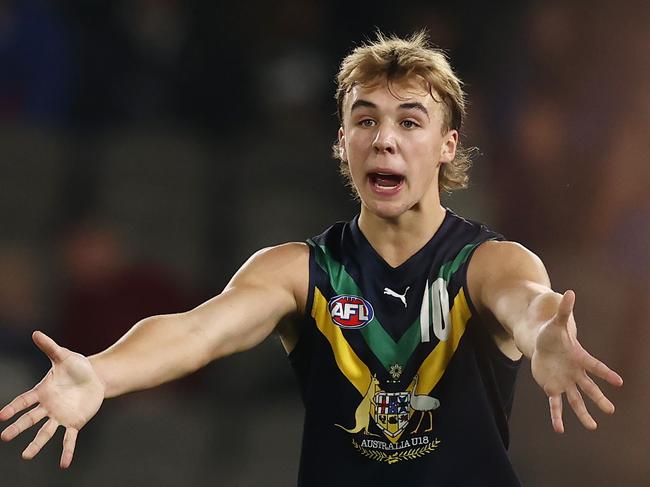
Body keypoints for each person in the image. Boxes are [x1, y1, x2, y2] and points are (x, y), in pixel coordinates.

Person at [0, 31, 622, 486]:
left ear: (446, 144)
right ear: (343, 142)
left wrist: (544, 335)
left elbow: (527, 303)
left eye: (410, 121)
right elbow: (195, 331)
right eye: (366, 119)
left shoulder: (489, 262)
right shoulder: (299, 271)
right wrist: (102, 374)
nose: (385, 138)